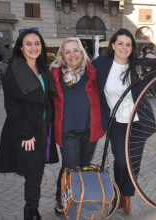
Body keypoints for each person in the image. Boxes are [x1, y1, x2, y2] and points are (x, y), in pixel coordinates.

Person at [0, 28, 58, 220]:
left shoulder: (43, 69)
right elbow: (11, 106)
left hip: (43, 126)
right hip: (26, 130)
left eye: (37, 43)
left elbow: (47, 98)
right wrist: (26, 134)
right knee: (34, 173)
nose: (33, 47)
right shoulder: (14, 69)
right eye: (28, 43)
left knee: (36, 172)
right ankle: (31, 213)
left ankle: (31, 212)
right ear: (21, 47)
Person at [92, 28, 156, 215]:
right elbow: (82, 70)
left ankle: (126, 197)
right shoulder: (101, 64)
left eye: (128, 44)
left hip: (138, 120)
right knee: (121, 160)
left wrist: (153, 60)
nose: (124, 47)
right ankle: (118, 194)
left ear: (132, 48)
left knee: (133, 161)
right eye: (120, 43)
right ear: (113, 45)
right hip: (116, 121)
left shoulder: (137, 65)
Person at [49, 37, 105, 215]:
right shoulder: (54, 73)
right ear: (63, 56)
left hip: (90, 127)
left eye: (76, 50)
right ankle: (61, 200)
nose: (72, 55)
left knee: (84, 166)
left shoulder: (92, 71)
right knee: (70, 167)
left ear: (82, 52)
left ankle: (80, 200)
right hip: (67, 129)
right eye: (68, 51)